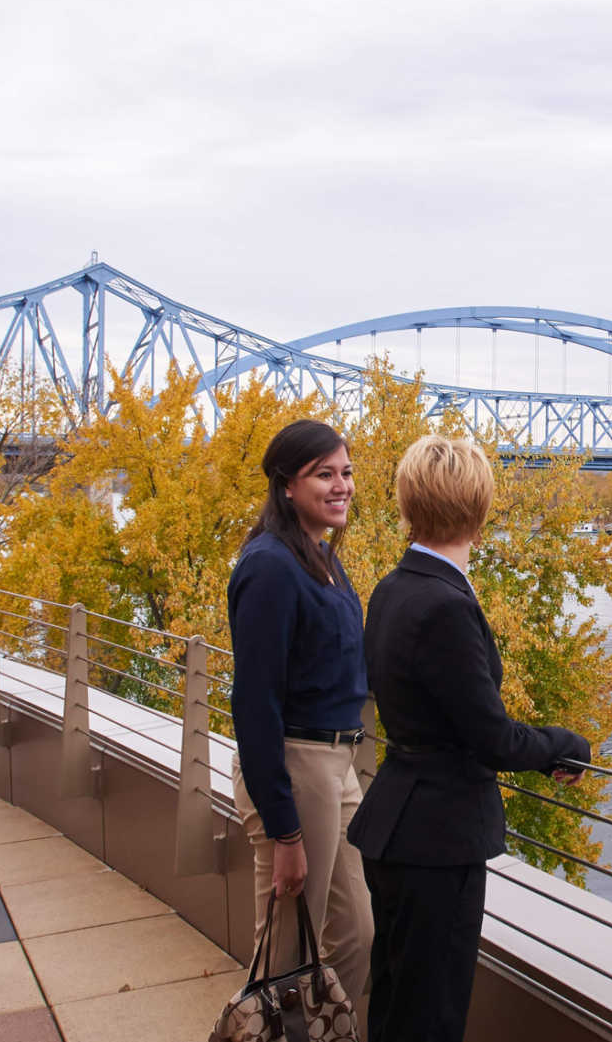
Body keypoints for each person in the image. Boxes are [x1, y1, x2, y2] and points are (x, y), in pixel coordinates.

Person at [347, 434, 590, 1042]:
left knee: (396, 999)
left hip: (395, 822)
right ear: (480, 512)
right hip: (438, 837)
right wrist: (564, 745)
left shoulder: (391, 587)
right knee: (432, 1014)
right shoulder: (446, 603)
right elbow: (490, 737)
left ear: (408, 505)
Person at [228, 418, 373, 1029]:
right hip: (297, 765)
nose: (340, 486)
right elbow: (254, 702)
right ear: (287, 484)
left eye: (345, 473)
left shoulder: (320, 558)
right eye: (324, 475)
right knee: (286, 953)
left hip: (338, 765)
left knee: (360, 931)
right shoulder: (270, 566)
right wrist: (285, 833)